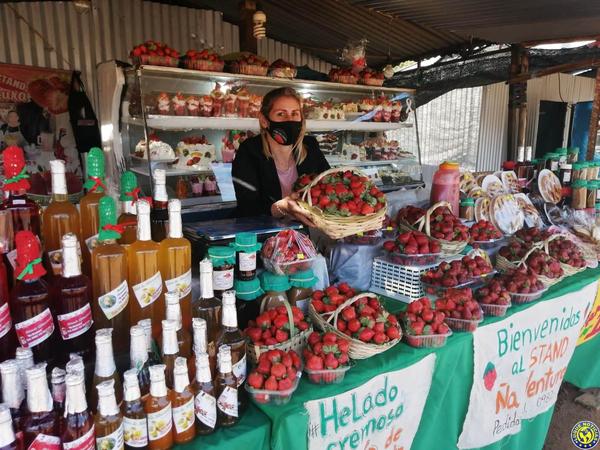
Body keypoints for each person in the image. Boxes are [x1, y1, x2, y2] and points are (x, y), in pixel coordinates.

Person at [232, 87, 329, 225]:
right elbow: (248, 207)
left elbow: (329, 183)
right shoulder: (249, 151)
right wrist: (283, 207)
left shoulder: (310, 146)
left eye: (295, 113)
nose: (289, 120)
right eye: (281, 114)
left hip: (308, 231)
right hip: (264, 233)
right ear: (264, 120)